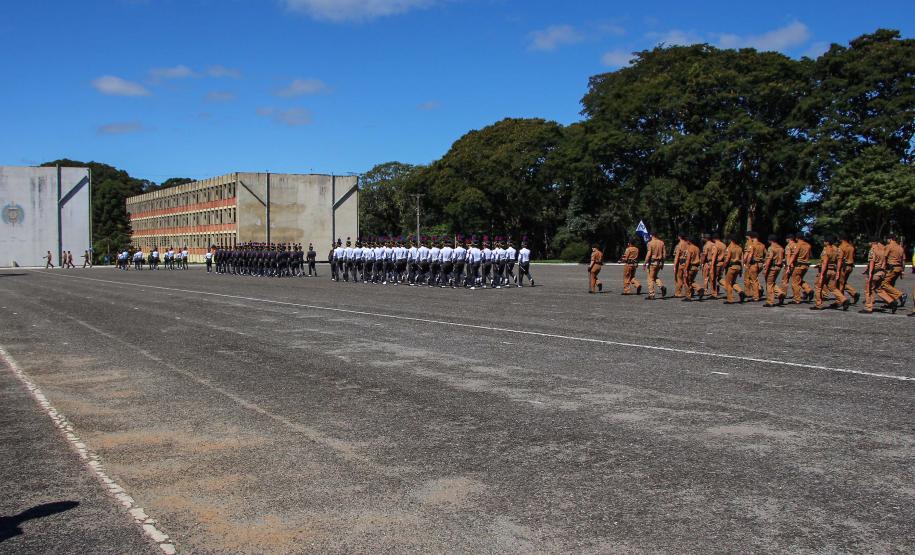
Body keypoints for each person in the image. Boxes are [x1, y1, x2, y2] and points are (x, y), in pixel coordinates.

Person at [811, 236, 849, 311]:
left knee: (818, 287)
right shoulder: (837, 249)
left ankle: (819, 305)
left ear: (827, 242)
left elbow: (825, 262)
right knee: (833, 288)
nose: (823, 242)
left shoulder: (826, 250)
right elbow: (839, 261)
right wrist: (838, 271)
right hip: (833, 271)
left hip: (826, 271)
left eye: (824, 241)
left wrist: (821, 274)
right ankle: (843, 299)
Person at [761, 235, 786, 307]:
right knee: (771, 282)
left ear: (770, 240)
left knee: (769, 284)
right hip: (779, 267)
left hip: (772, 267)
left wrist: (766, 268)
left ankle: (770, 301)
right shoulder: (781, 248)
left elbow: (769, 259)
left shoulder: (771, 248)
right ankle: (780, 293)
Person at [721, 235, 745, 304]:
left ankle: (730, 299)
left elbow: (727, 259)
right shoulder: (740, 248)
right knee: (733, 282)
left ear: (731, 240)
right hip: (738, 267)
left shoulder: (730, 248)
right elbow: (742, 260)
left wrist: (723, 267)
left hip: (731, 267)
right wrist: (741, 270)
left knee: (727, 283)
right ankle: (740, 291)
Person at [643, 233, 667, 300]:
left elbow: (649, 254)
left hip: (653, 263)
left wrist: (645, 263)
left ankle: (651, 294)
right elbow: (664, 254)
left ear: (651, 235)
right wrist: (662, 263)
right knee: (654, 276)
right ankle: (661, 286)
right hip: (659, 263)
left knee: (650, 278)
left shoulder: (650, 243)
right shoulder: (662, 243)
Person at [681, 236, 704, 301]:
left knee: (686, 281)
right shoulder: (697, 248)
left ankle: (690, 295)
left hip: (690, 267)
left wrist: (685, 270)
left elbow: (688, 260)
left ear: (689, 241)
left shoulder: (689, 248)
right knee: (690, 281)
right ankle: (695, 291)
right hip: (696, 267)